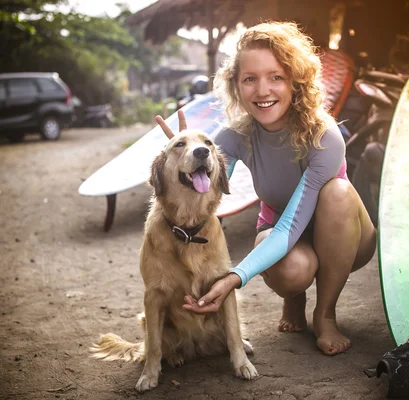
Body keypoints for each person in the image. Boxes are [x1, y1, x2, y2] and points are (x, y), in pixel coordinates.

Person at [157, 21, 376, 356]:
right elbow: (202, 195)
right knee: (291, 271)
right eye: (250, 79)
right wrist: (180, 154)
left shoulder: (325, 137)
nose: (263, 90)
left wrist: (233, 277)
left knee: (338, 193)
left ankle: (325, 313)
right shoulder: (234, 136)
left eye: (276, 76)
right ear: (236, 85)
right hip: (288, 240)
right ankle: (294, 298)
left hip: (346, 238)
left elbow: (291, 225)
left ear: (295, 80)